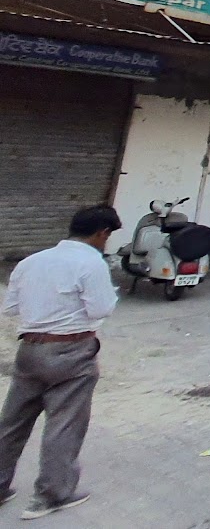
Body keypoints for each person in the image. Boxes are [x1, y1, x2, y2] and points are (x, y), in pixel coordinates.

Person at [0, 205, 121, 519]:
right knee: (64, 424)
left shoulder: (31, 261)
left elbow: (11, 307)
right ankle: (51, 495)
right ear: (102, 233)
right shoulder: (91, 263)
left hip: (29, 349)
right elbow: (100, 309)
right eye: (107, 236)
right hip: (71, 350)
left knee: (12, 422)